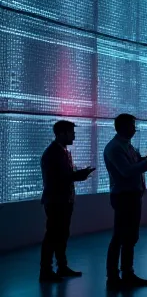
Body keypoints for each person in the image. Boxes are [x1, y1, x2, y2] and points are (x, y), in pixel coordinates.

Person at [104, 113, 147, 290]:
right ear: (122, 127)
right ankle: (115, 276)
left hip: (131, 196)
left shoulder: (125, 146)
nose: (135, 128)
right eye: (132, 125)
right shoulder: (115, 148)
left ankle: (125, 273)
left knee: (129, 237)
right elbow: (127, 171)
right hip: (124, 197)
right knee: (121, 237)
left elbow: (136, 164)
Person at [39, 120, 95, 282]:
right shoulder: (53, 153)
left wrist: (77, 175)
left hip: (63, 200)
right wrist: (78, 175)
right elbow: (57, 179)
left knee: (61, 235)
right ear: (62, 133)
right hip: (56, 201)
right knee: (53, 235)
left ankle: (60, 267)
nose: (74, 136)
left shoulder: (62, 151)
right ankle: (47, 270)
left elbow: (63, 176)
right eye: (72, 133)